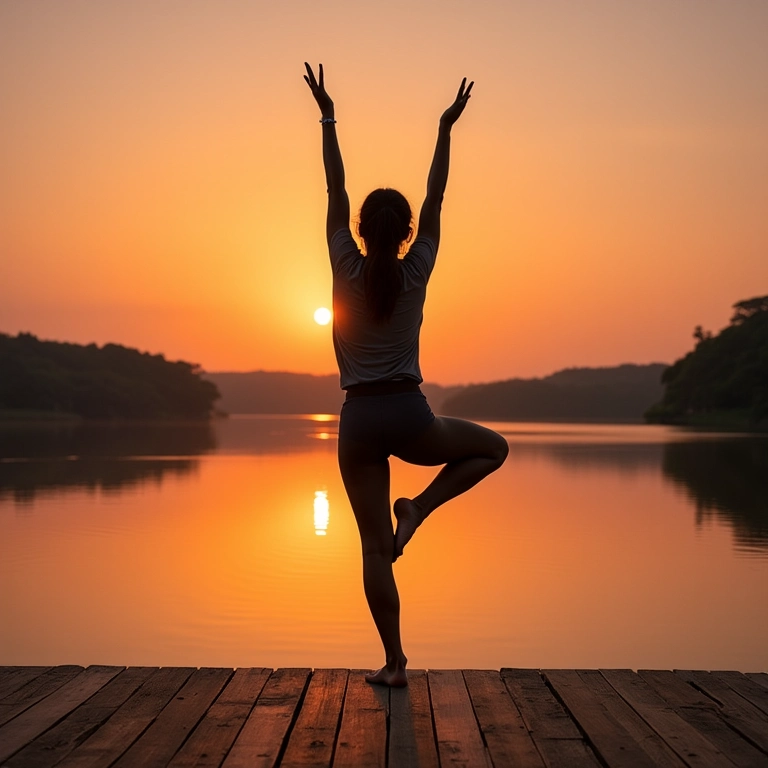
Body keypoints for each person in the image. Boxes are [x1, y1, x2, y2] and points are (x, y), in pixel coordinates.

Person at [304, 63, 508, 687]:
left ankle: (395, 664)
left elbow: (333, 188)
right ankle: (419, 507)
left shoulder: (344, 262)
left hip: (359, 419)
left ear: (361, 230)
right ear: (409, 233)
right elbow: (436, 194)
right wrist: (446, 127)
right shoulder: (418, 267)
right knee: (492, 449)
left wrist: (328, 115)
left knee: (371, 549)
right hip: (410, 414)